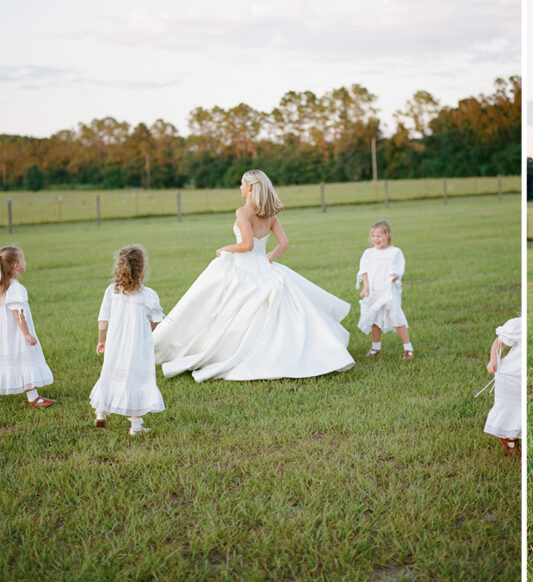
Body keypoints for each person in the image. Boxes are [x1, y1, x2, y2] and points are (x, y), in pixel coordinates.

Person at [154, 170, 355, 381]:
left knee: (217, 306)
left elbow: (247, 245)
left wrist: (225, 248)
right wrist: (268, 257)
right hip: (264, 268)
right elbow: (284, 244)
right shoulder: (270, 215)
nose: (240, 187)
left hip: (245, 268)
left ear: (250, 187)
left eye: (242, 183)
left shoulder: (243, 212)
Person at [91, 246, 164, 435]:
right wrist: (145, 333)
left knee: (109, 374)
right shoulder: (148, 295)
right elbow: (156, 320)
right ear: (142, 268)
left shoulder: (112, 292)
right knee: (137, 381)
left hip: (115, 344)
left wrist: (102, 341)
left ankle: (100, 415)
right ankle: (136, 427)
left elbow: (103, 320)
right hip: (137, 347)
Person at [0, 247, 55, 407]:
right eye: (23, 259)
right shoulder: (16, 288)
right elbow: (19, 315)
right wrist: (26, 334)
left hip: (4, 334)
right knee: (26, 360)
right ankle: (33, 398)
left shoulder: (3, 286)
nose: (25, 262)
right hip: (16, 334)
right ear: (16, 266)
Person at [357, 220, 414, 359]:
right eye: (373, 236)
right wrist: (366, 288)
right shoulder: (368, 253)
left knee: (396, 315)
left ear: (388, 235)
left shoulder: (395, 252)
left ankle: (408, 348)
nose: (376, 239)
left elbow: (399, 268)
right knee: (375, 317)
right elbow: (365, 271)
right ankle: (376, 348)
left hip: (389, 290)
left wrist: (396, 275)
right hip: (374, 290)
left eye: (379, 236)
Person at [482, 316, 521, 456]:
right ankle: (510, 440)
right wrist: (493, 360)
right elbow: (499, 342)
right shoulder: (520, 324)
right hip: (511, 377)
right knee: (511, 414)